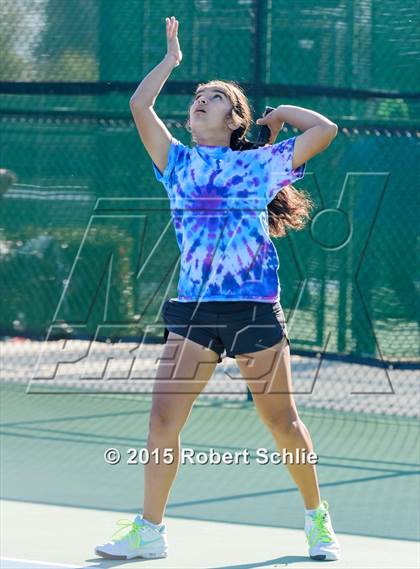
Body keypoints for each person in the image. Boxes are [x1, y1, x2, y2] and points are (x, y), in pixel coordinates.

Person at [95, 16, 341, 562]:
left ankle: (316, 520)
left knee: (281, 422)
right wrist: (170, 62)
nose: (199, 102)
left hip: (252, 308)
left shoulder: (259, 164)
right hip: (194, 312)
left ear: (235, 120)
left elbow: (323, 131)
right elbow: (140, 107)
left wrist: (277, 117)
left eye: (214, 98)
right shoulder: (175, 161)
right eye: (197, 97)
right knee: (162, 421)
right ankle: (149, 531)